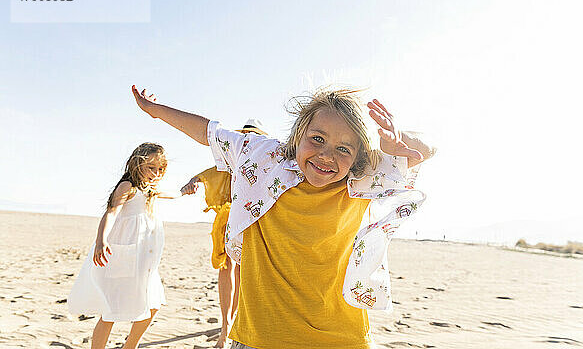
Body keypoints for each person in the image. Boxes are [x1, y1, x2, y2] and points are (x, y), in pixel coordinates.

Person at [131, 85, 435, 349]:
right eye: (317, 139)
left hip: (341, 338)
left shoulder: (364, 177)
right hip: (259, 338)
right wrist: (155, 110)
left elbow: (429, 148)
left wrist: (397, 141)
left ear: (358, 155)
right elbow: (208, 131)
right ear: (299, 133)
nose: (327, 156)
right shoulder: (263, 157)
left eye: (343, 148)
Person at [68, 142, 187, 349]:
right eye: (151, 168)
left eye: (160, 169)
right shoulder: (128, 187)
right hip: (124, 256)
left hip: (145, 261)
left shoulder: (151, 190)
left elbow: (174, 194)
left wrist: (188, 188)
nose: (156, 173)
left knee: (153, 304)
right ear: (136, 164)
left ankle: (129, 346)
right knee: (111, 310)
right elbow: (112, 212)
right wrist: (101, 240)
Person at [180, 119, 267, 348]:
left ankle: (232, 325)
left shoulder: (263, 161)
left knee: (242, 272)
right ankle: (226, 327)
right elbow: (203, 176)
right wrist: (192, 183)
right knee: (227, 268)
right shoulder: (228, 161)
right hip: (228, 223)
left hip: (252, 224)